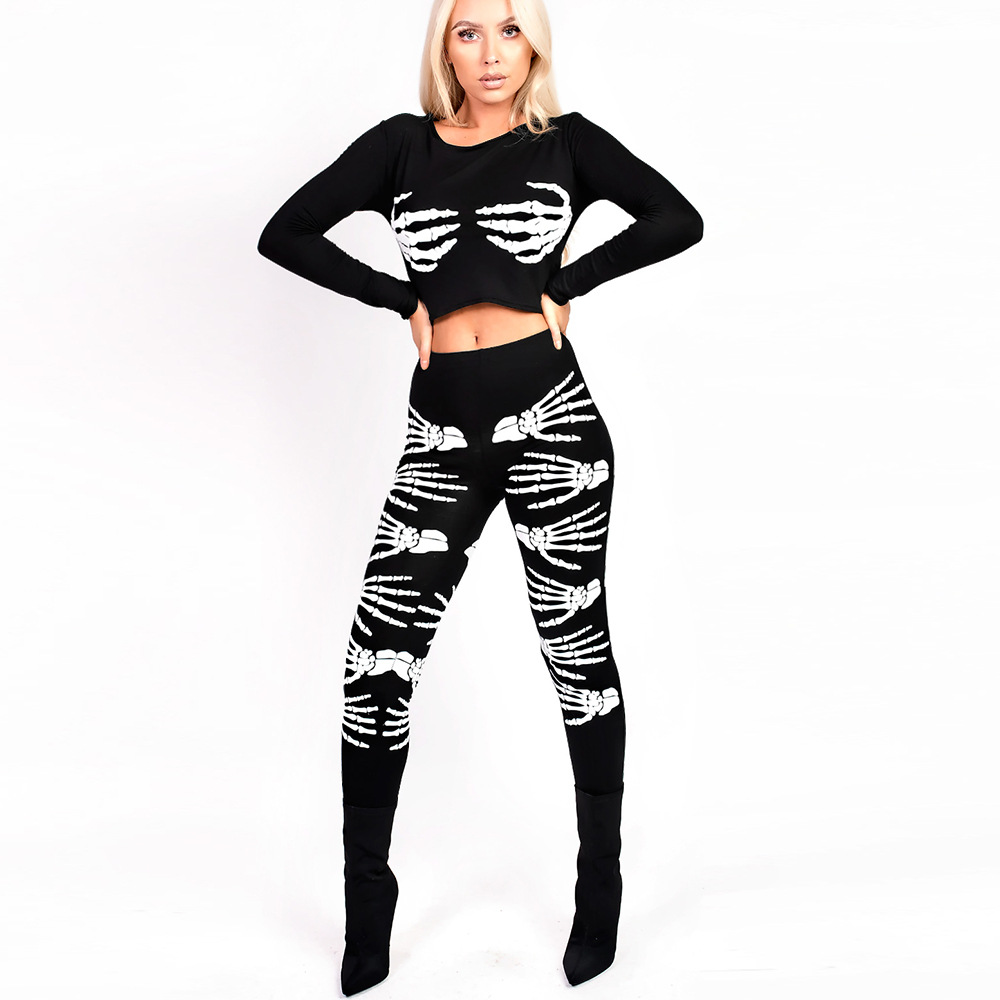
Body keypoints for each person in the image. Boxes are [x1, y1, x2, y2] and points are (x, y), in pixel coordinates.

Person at [256, 0, 703, 992]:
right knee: (377, 661)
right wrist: (397, 298)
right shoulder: (400, 148)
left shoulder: (566, 145)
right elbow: (284, 232)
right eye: (469, 31)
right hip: (441, 438)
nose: (491, 53)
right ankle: (367, 903)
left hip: (554, 426)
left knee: (576, 656)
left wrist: (571, 279)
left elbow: (679, 218)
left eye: (509, 30)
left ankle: (599, 886)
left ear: (533, 42)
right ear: (443, 46)